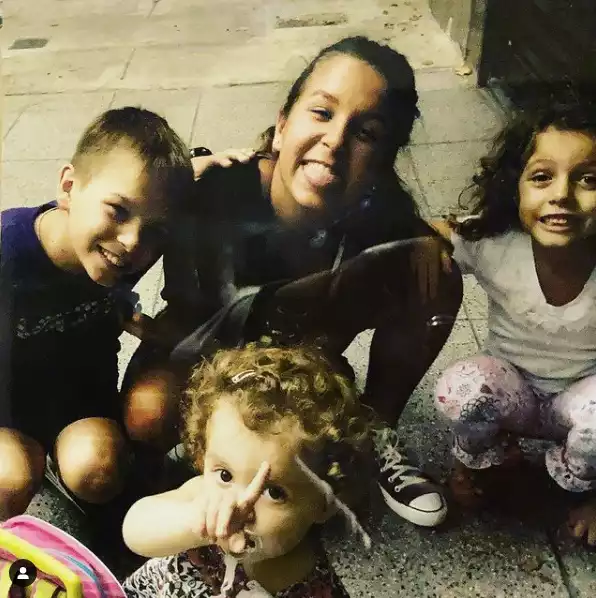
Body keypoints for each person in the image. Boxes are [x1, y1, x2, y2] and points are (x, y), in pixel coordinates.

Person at [123, 36, 462, 528]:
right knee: (148, 412)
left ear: (382, 161)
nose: (335, 141)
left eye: (366, 132)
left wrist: (425, 240)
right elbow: (102, 221)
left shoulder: (378, 217)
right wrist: (169, 181)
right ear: (282, 126)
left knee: (436, 272)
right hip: (201, 360)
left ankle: (376, 431)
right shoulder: (211, 190)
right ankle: (195, 458)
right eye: (321, 113)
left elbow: (449, 232)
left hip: (294, 369)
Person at [0, 107, 194, 521]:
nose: (132, 240)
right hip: (8, 413)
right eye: (118, 210)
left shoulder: (124, 252)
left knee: (98, 469)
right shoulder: (7, 250)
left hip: (81, 405)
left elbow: (147, 193)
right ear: (68, 187)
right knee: (9, 478)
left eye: (153, 229)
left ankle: (69, 476)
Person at [431, 91, 596, 547]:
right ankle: (477, 465)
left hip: (582, 403)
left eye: (588, 179)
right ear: (514, 188)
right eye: (541, 177)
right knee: (463, 388)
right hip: (511, 393)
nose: (561, 195)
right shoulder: (494, 244)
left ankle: (583, 487)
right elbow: (430, 232)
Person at [121, 344, 375, 597]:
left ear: (326, 503)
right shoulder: (202, 500)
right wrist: (193, 524)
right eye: (225, 475)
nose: (238, 507)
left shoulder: (318, 590)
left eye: (273, 492)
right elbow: (134, 531)